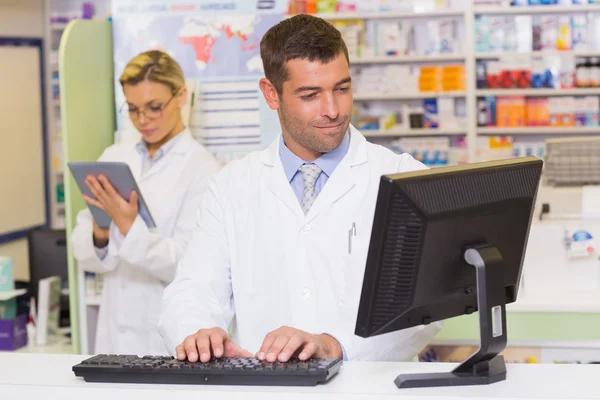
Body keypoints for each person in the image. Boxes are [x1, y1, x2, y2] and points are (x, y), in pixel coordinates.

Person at [158, 14, 442, 363]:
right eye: (310, 95)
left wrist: (337, 344)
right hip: (270, 388)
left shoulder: (402, 177)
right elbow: (193, 288)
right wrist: (198, 333)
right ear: (271, 94)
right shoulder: (232, 186)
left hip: (370, 389)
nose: (333, 110)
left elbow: (424, 308)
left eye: (342, 88)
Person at [71, 50, 222, 355]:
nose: (143, 120)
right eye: (133, 109)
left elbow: (188, 263)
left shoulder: (204, 170)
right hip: (113, 331)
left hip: (166, 337)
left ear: (181, 96)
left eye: (154, 107)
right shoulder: (114, 157)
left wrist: (128, 226)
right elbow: (83, 253)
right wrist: (101, 232)